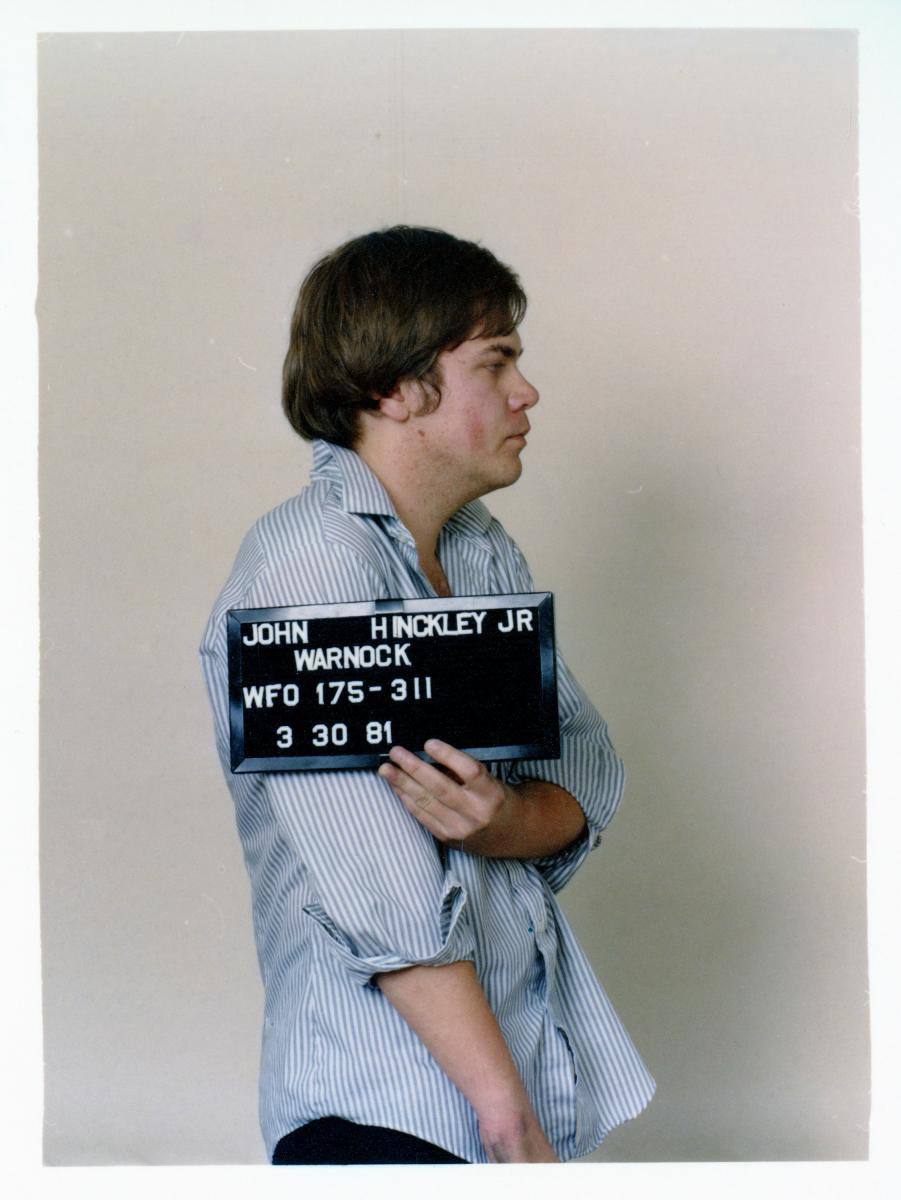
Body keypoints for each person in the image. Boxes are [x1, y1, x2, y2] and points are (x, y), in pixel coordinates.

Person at [199, 225, 655, 1165]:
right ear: (394, 387)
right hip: (390, 1110)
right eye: (496, 362)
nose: (526, 391)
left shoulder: (478, 546)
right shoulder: (309, 565)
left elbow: (586, 766)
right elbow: (383, 894)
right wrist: (504, 1110)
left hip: (509, 1091)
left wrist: (503, 822)